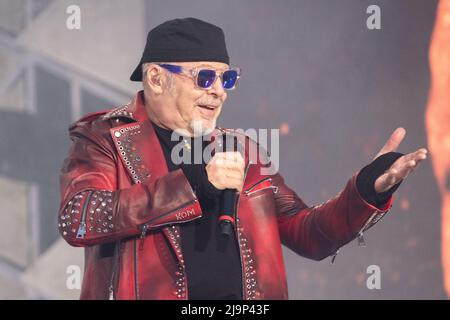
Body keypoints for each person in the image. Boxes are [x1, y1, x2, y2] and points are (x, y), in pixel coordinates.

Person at [58, 17, 428, 300]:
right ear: (156, 78)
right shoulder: (104, 139)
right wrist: (195, 184)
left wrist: (367, 189)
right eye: (205, 78)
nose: (219, 93)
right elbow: (81, 219)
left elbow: (309, 233)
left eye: (227, 79)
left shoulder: (241, 150)